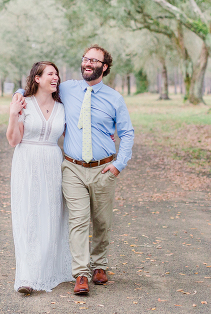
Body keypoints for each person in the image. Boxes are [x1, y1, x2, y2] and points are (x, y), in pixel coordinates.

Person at [14, 45, 134, 295]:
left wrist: (118, 165)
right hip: (72, 168)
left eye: (94, 60)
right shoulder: (68, 89)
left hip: (103, 168)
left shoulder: (114, 98)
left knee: (102, 222)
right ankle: (81, 272)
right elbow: (36, 90)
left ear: (105, 67)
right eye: (85, 59)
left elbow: (126, 133)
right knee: (77, 220)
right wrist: (17, 95)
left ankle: (100, 264)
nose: (88, 63)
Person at [6, 61, 73, 294]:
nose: (55, 78)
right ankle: (26, 276)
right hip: (27, 161)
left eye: (57, 74)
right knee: (28, 216)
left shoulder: (63, 107)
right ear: (37, 78)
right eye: (50, 74)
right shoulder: (24, 104)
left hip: (53, 161)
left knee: (52, 214)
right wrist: (13, 115)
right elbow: (14, 140)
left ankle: (48, 270)